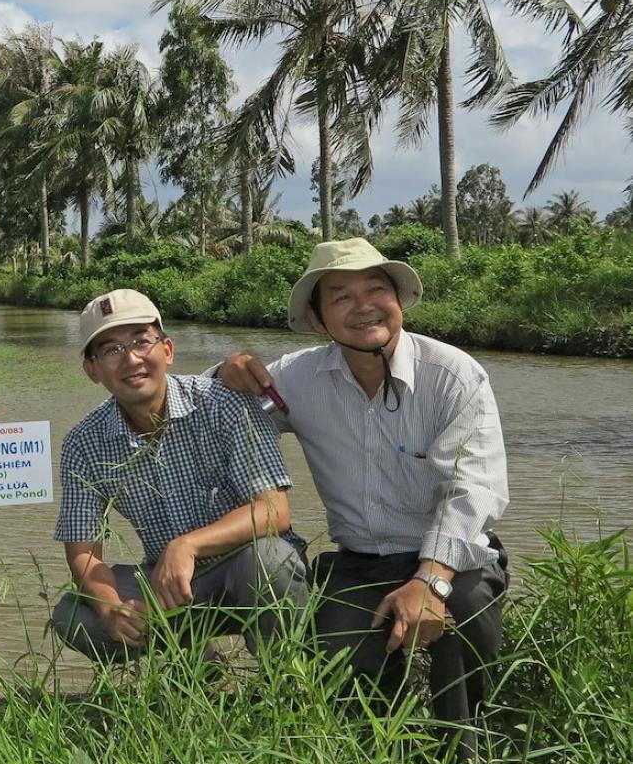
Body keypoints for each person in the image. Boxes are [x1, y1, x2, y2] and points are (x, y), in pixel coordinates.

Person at [216, 238, 509, 737]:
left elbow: (472, 490)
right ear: (319, 318)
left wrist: (429, 581)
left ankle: (462, 753)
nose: (363, 306)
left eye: (377, 289)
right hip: (360, 561)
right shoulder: (299, 378)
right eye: (341, 296)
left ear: (399, 300)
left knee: (463, 610)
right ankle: (374, 757)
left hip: (448, 558)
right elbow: (203, 400)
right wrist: (228, 370)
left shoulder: (453, 376)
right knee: (340, 669)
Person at [49, 289, 307, 662]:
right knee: (74, 614)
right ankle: (199, 660)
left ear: (167, 350)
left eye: (141, 341)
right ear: (92, 370)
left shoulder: (225, 402)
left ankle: (283, 679)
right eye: (111, 351)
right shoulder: (84, 443)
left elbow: (274, 511)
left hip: (245, 568)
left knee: (271, 561)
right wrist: (110, 608)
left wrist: (187, 545)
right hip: (168, 585)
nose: (132, 359)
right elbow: (84, 551)